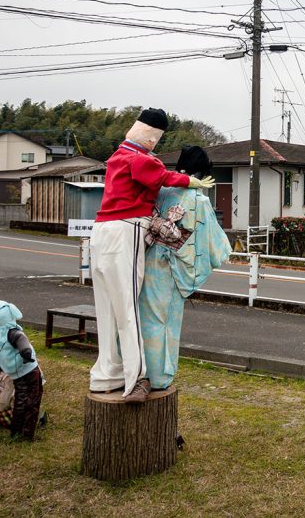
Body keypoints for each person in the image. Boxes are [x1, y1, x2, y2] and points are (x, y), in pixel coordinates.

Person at [89, 108, 214, 403]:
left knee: (106, 307)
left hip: (101, 230)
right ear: (152, 139)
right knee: (129, 308)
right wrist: (189, 183)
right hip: (126, 230)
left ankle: (106, 372)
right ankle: (137, 378)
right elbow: (160, 176)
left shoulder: (117, 156)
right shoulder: (141, 159)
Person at [140, 146, 231, 390]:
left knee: (143, 317)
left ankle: (136, 371)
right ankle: (159, 377)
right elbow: (216, 246)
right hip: (172, 269)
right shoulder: (198, 200)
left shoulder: (160, 191)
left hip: (147, 260)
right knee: (165, 321)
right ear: (201, 174)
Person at [0, 300, 44, 441]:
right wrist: (27, 354)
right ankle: (27, 434)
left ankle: (15, 430)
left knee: (20, 401)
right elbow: (23, 342)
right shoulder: (12, 331)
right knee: (32, 400)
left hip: (14, 372)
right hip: (28, 369)